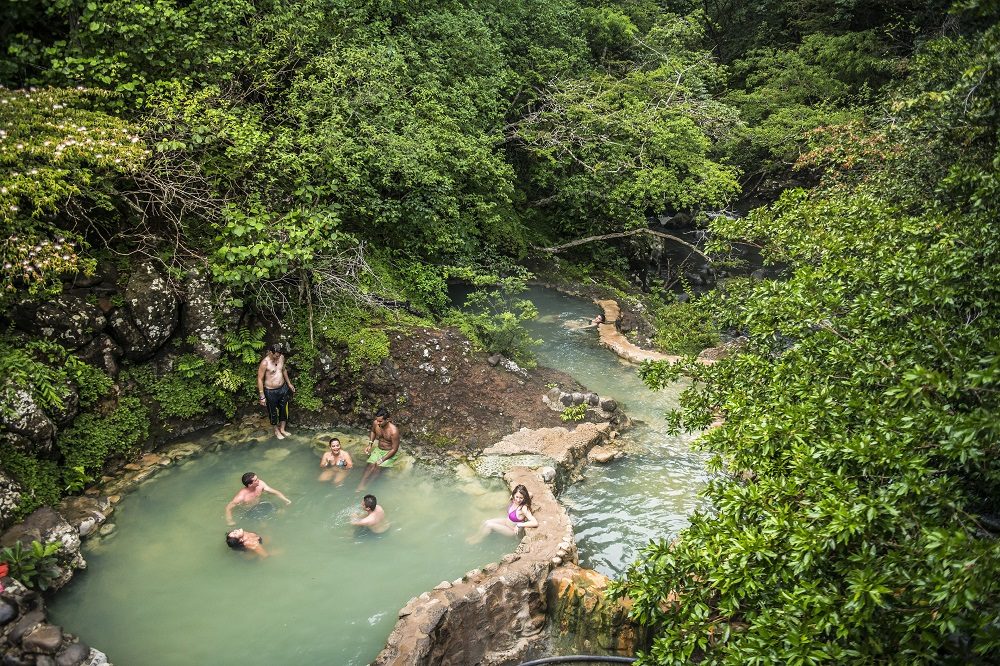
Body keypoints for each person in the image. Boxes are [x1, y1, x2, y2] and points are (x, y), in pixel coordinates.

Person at [467, 484, 538, 544]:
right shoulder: (513, 499)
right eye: (517, 497)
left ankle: (478, 540)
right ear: (514, 495)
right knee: (486, 522)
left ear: (524, 497)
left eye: (521, 498)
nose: (518, 500)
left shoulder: (523, 508)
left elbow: (535, 523)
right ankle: (476, 536)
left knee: (489, 525)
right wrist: (523, 495)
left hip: (511, 530)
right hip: (506, 522)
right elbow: (530, 494)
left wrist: (519, 525)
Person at [257, 343, 296, 439]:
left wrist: (289, 383)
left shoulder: (281, 357)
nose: (277, 357)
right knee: (273, 411)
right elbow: (259, 379)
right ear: (271, 352)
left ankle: (282, 429)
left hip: (283, 388)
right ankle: (276, 430)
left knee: (284, 408)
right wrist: (262, 396)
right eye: (276, 355)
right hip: (270, 391)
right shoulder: (265, 363)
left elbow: (283, 370)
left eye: (279, 355)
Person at [225, 472, 292, 525]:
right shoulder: (241, 497)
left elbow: (274, 492)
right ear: (250, 485)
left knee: (281, 512)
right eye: (256, 480)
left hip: (260, 503)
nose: (258, 480)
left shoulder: (260, 484)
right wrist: (230, 521)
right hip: (250, 510)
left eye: (257, 478)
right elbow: (228, 508)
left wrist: (285, 500)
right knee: (263, 525)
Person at [358, 408, 400, 491]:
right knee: (369, 465)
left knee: (377, 467)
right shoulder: (376, 424)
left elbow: (394, 449)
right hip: (378, 450)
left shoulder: (394, 431)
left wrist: (382, 459)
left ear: (387, 420)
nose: (378, 423)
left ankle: (368, 486)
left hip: (389, 452)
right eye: (377, 420)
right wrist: (370, 444)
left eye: (380, 421)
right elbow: (373, 431)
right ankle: (361, 485)